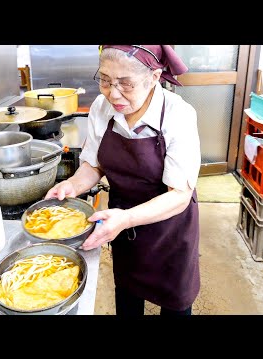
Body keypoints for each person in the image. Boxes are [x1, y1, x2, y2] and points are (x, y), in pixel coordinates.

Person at [45, 45, 201, 316]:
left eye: (125, 84)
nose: (112, 93)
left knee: (175, 300)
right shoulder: (101, 107)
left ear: (154, 77)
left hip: (169, 227)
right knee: (128, 294)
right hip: (121, 224)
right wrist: (73, 185)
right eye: (105, 80)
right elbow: (94, 165)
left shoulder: (178, 114)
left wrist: (126, 218)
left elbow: (179, 195)